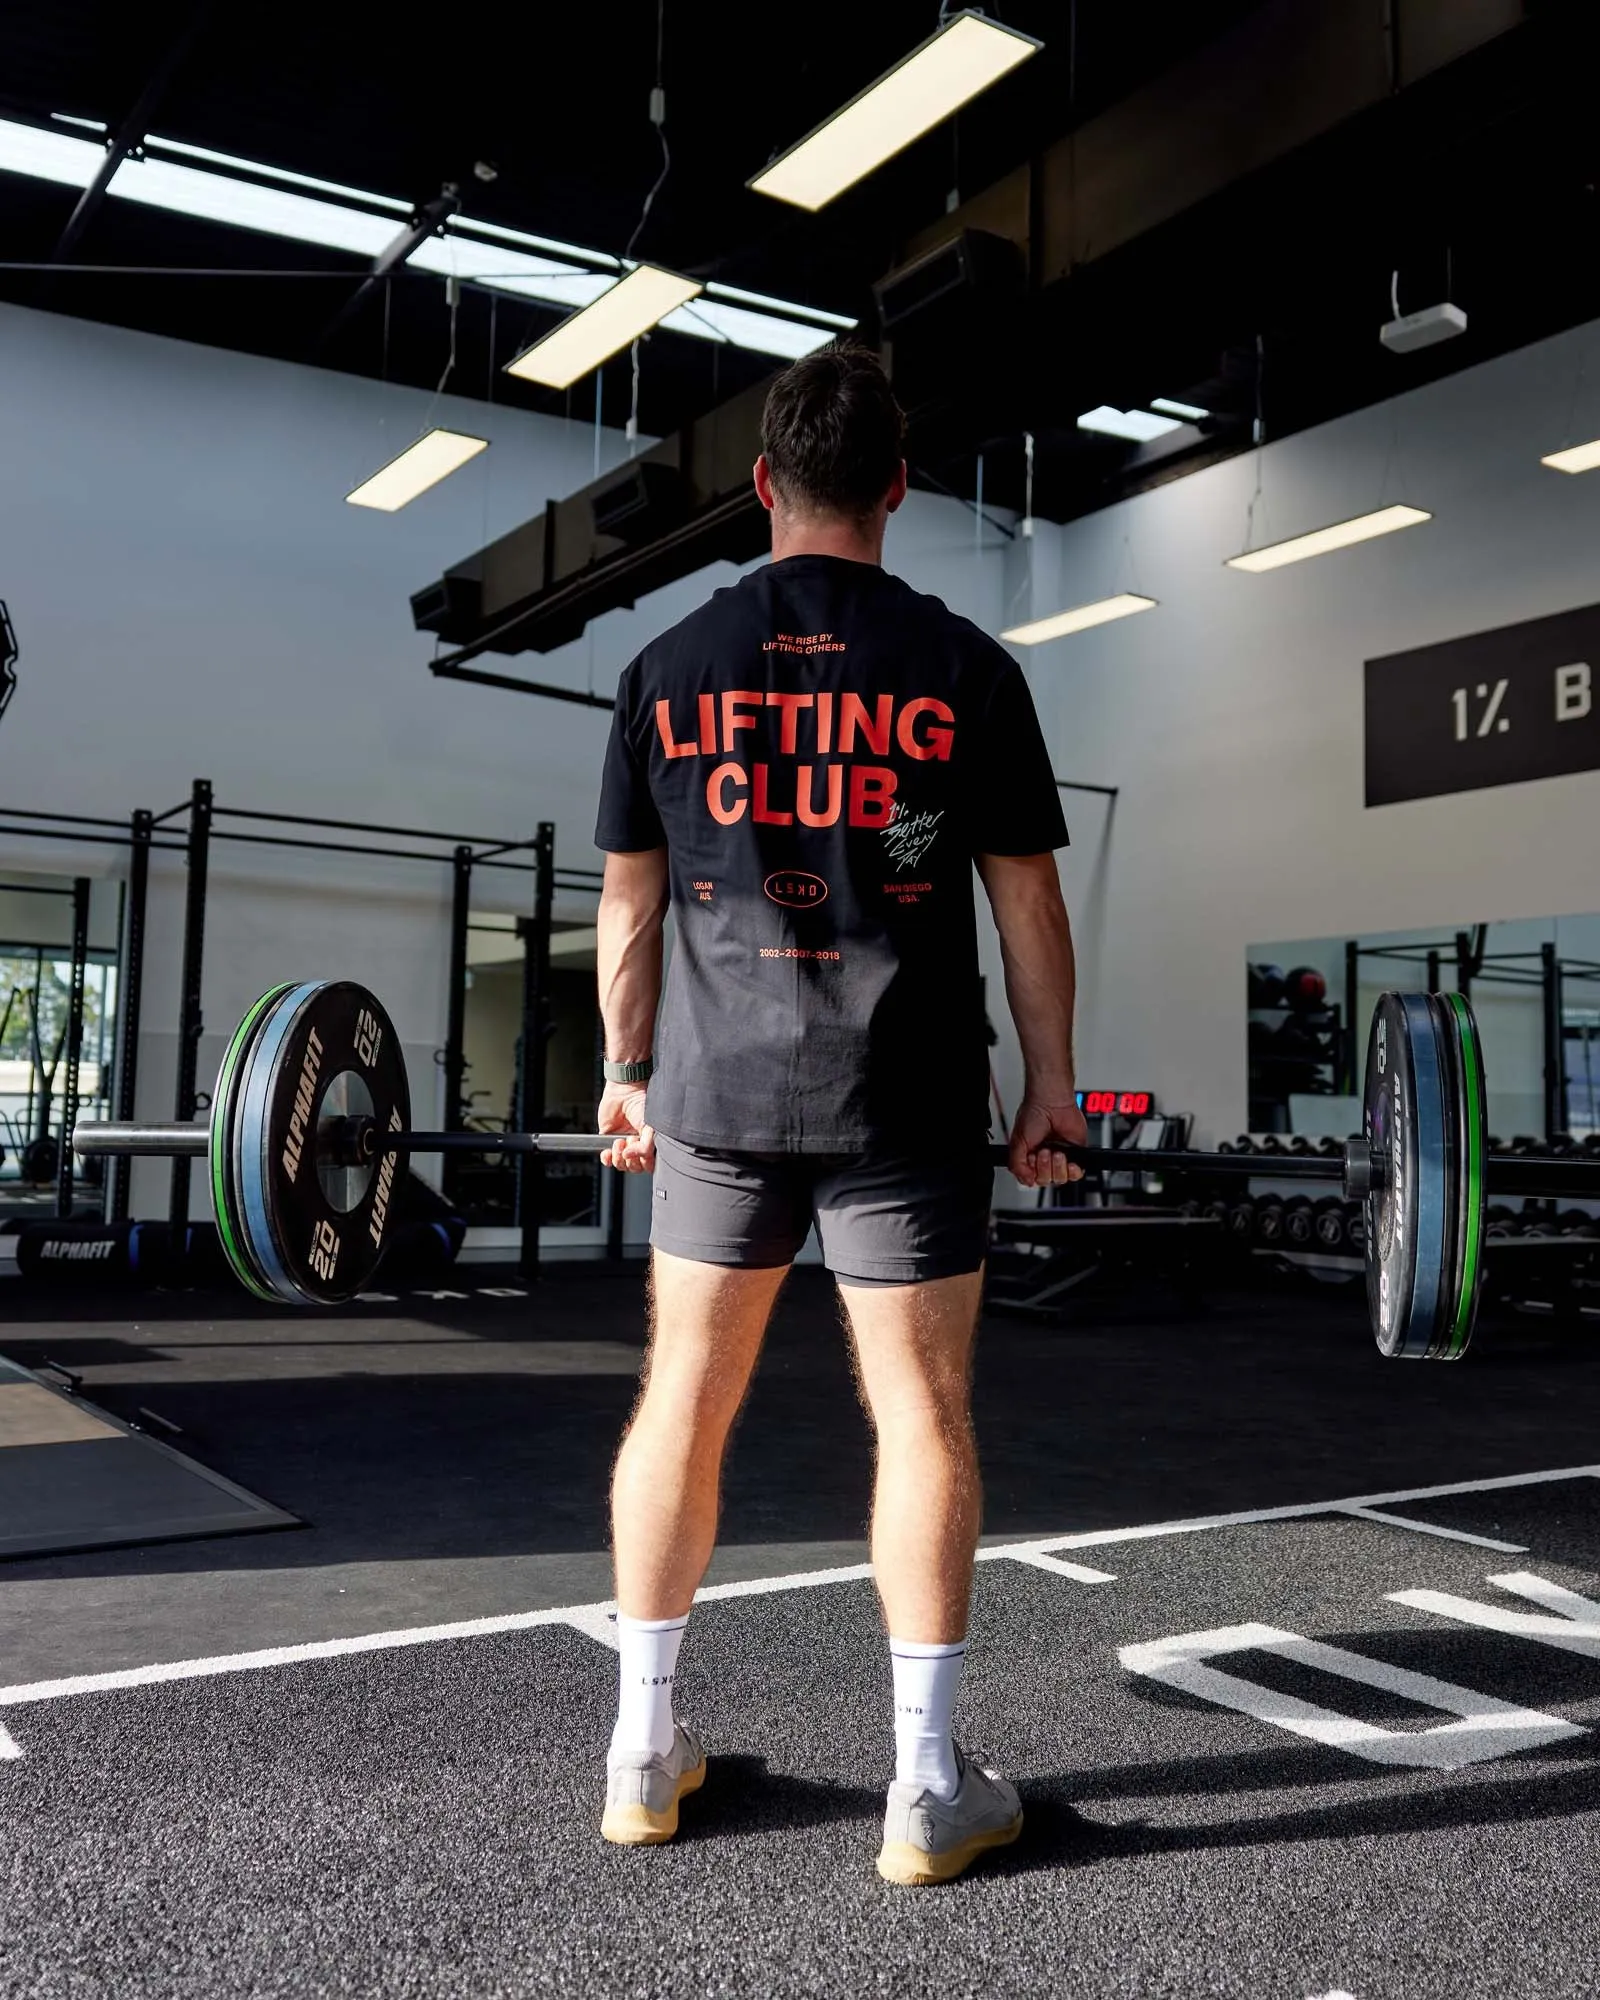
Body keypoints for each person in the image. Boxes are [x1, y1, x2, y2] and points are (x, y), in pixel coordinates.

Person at [591, 342, 1084, 1886]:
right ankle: (926, 1788)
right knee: (923, 1417)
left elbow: (627, 908)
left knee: (684, 1396)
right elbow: (1026, 906)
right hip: (910, 1093)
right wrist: (1052, 1084)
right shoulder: (967, 670)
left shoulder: (666, 667)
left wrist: (624, 1068)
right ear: (897, 485)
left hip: (719, 1095)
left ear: (761, 486)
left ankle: (639, 1753)